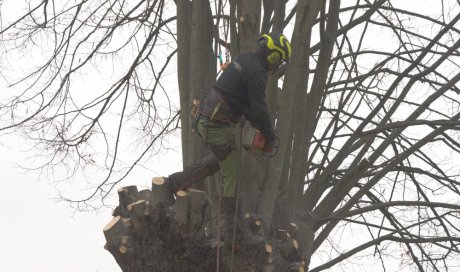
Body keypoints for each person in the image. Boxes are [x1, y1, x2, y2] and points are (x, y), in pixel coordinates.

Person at [164, 32, 291, 245]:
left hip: (205, 117)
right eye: (279, 60)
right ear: (273, 56)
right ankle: (228, 224)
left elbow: (248, 106)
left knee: (219, 159)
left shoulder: (243, 60)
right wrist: (269, 135)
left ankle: (177, 181)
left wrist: (262, 128)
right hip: (217, 123)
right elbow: (258, 108)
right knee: (232, 170)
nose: (277, 65)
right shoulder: (258, 73)